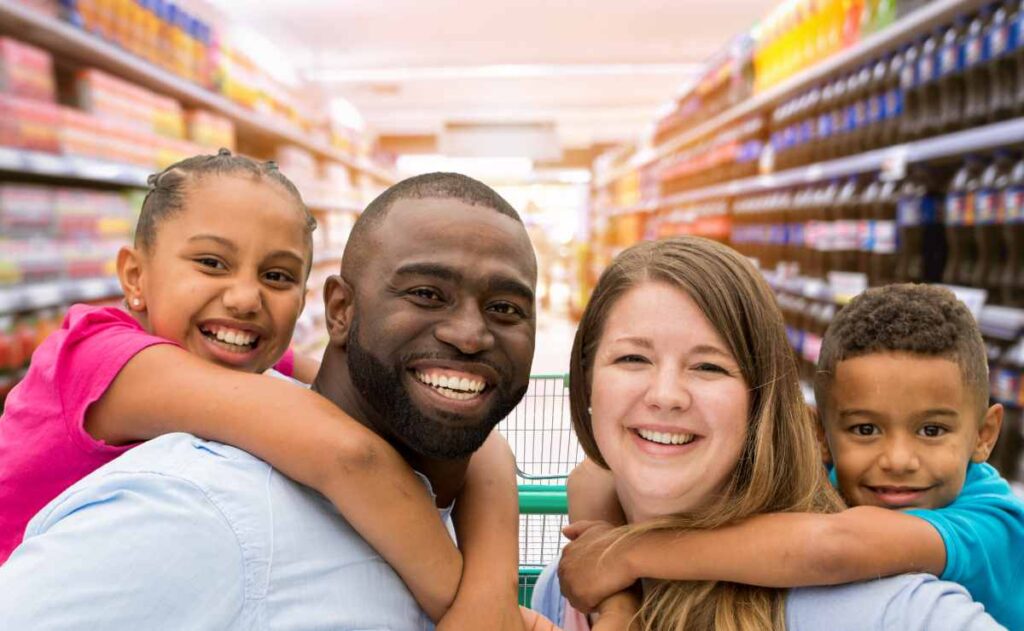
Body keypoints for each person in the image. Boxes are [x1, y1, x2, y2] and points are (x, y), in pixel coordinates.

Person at [0, 171, 554, 630]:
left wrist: (493, 585)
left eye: (277, 275)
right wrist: (472, 608)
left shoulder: (242, 367)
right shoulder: (100, 357)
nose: (245, 298)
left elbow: (471, 433)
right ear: (135, 275)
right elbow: (350, 457)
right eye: (211, 263)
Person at [531, 237, 1002, 630]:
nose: (666, 395)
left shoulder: (898, 607)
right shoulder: (568, 583)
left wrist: (628, 552)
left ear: (763, 402)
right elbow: (592, 474)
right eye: (632, 358)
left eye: (709, 366)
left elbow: (832, 548)